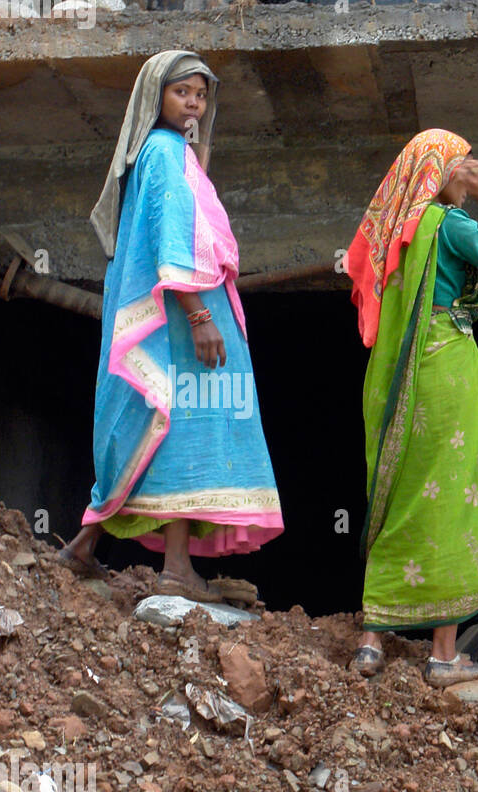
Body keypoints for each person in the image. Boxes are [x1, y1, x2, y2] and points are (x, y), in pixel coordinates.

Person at [58, 52, 284, 601]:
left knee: (155, 425)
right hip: (181, 316)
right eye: (182, 92)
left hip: (178, 314)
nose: (194, 103)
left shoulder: (171, 152)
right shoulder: (162, 152)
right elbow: (172, 242)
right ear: (155, 95)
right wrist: (202, 317)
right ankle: (177, 570)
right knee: (182, 429)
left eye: (201, 95)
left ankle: (85, 547)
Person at [346, 130, 478, 684]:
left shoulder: (394, 232)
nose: (470, 176)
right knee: (455, 492)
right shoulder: (451, 224)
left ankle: (370, 641)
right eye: (464, 167)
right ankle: (442, 655)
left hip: (392, 378)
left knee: (399, 490)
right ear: (442, 172)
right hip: (447, 369)